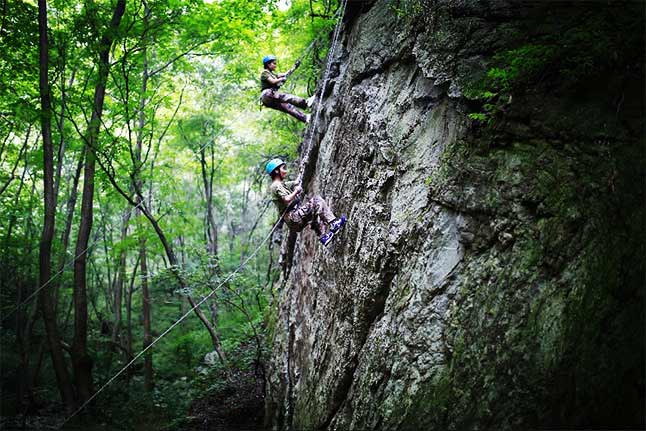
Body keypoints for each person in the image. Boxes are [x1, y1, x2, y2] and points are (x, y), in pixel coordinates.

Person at [266, 158, 346, 246]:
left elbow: (296, 182)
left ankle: (323, 237)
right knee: (317, 201)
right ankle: (333, 223)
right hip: (293, 217)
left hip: (293, 221)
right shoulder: (276, 186)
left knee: (314, 214)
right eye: (283, 168)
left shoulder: (281, 184)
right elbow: (287, 199)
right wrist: (296, 191)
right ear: (276, 171)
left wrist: (303, 166)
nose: (285, 171)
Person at [260, 55, 314, 123]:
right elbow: (272, 81)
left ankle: (305, 118)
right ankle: (306, 103)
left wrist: (295, 67)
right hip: (267, 94)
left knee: (287, 107)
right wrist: (281, 79)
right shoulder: (265, 73)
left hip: (268, 99)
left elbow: (286, 74)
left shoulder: (273, 74)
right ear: (268, 64)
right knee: (287, 97)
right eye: (274, 63)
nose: (275, 65)